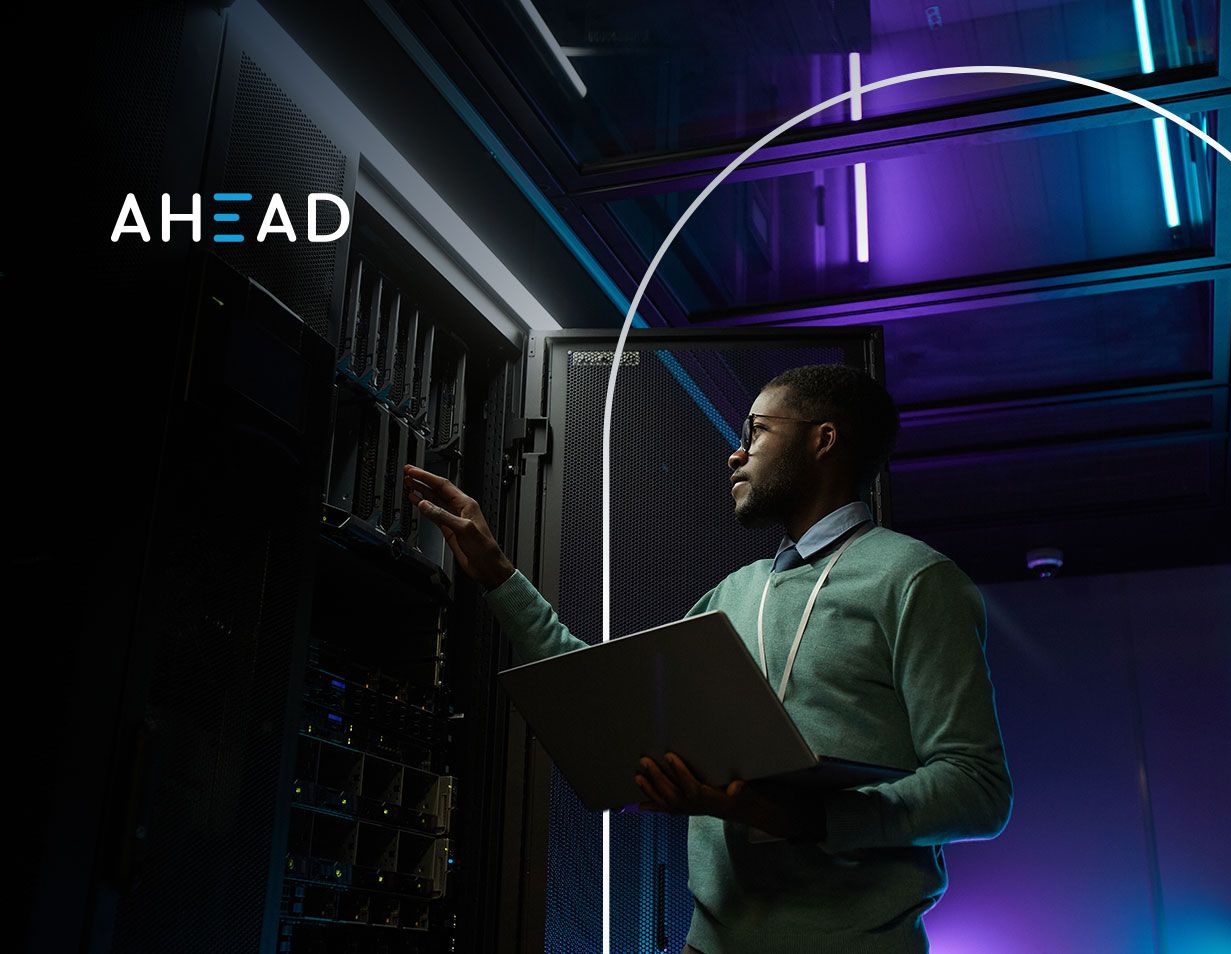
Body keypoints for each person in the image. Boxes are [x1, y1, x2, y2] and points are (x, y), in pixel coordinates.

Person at [403, 363, 1012, 954]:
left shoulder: (916, 579)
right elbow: (607, 693)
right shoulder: (736, 592)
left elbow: (977, 789)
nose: (735, 453)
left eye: (756, 431)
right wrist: (498, 576)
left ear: (824, 440)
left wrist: (813, 818)